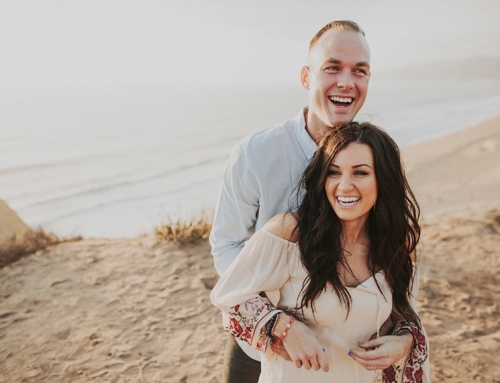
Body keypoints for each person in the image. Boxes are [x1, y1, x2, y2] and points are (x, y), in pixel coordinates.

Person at [210, 20, 372, 382]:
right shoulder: (255, 154)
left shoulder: (373, 160)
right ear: (306, 77)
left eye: (359, 71)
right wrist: (274, 323)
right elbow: (225, 244)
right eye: (332, 67)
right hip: (261, 343)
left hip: (346, 345)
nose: (347, 81)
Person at [211, 122, 430, 383]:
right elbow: (228, 295)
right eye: (334, 173)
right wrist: (283, 327)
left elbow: (406, 315)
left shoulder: (399, 244)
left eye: (360, 173)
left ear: (383, 180)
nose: (344, 185)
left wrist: (403, 343)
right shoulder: (290, 232)